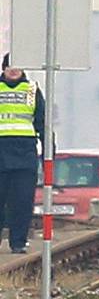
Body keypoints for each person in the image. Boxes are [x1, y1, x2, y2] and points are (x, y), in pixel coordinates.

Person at [0, 48, 46, 257]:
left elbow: (42, 122)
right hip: (1, 154)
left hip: (24, 155)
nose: (13, 70)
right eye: (10, 66)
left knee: (22, 202)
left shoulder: (31, 90)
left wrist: (48, 154)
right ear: (4, 68)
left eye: (17, 66)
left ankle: (18, 242)